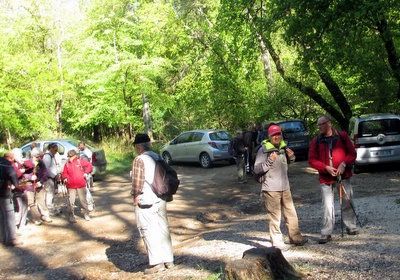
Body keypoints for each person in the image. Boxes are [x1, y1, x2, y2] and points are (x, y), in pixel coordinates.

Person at [254, 124, 307, 250]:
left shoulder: (283, 148)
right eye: (274, 135)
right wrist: (269, 161)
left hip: (285, 187)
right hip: (271, 188)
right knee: (275, 217)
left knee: (291, 213)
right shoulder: (263, 150)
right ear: (269, 136)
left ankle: (295, 237)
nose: (277, 137)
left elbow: (287, 164)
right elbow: (256, 169)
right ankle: (277, 242)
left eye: (278, 134)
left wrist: (292, 157)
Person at [309, 115, 358, 244]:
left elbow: (352, 153)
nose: (319, 127)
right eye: (318, 125)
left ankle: (351, 226)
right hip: (325, 178)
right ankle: (326, 232)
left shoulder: (342, 136)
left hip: (343, 175)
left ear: (329, 123)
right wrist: (325, 167)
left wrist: (344, 164)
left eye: (321, 124)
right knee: (327, 205)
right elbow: (312, 160)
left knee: (347, 201)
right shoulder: (316, 140)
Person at [131, 133, 174, 275]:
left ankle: (156, 263)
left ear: (138, 146)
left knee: (148, 230)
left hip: (146, 200)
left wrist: (135, 196)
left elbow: (137, 182)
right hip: (161, 197)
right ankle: (169, 259)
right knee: (162, 228)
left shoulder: (140, 159)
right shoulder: (158, 156)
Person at [62, 149, 93, 223]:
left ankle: (86, 214)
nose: (70, 158)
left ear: (75, 155)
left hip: (81, 185)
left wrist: (86, 172)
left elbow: (89, 166)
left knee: (83, 201)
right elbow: (64, 173)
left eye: (71, 156)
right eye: (69, 156)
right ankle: (71, 216)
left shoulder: (80, 161)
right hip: (70, 186)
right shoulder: (67, 164)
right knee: (70, 201)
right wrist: (65, 178)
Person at [0, 152, 22, 246]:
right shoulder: (6, 164)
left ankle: (2, 238)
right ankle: (12, 239)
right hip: (5, 193)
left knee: (1, 216)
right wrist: (17, 186)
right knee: (9, 216)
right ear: (11, 158)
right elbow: (13, 174)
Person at [42, 143, 61, 218]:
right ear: (51, 148)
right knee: (49, 195)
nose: (56, 151)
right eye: (55, 150)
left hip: (52, 178)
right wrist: (54, 175)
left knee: (52, 194)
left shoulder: (51, 156)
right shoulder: (47, 157)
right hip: (48, 179)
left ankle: (51, 209)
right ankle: (49, 210)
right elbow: (46, 169)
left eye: (57, 150)